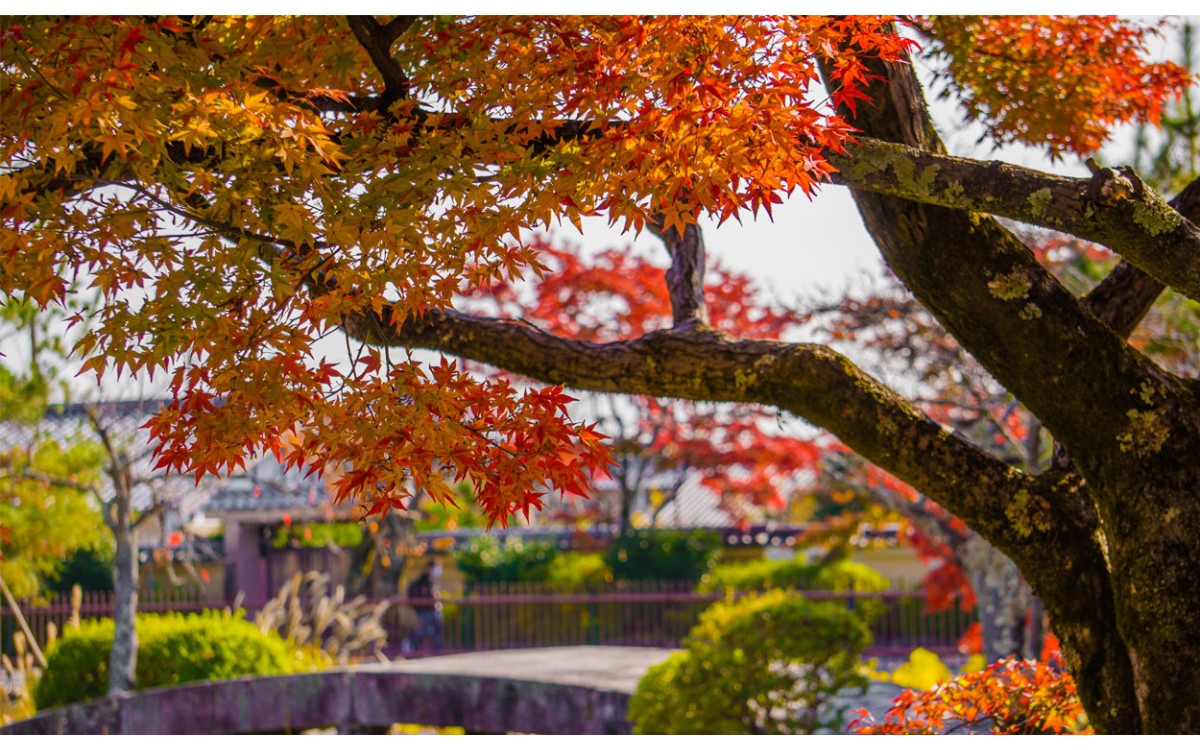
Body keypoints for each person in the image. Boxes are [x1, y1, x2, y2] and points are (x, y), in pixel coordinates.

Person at [407, 559, 443, 653]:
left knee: (433, 629)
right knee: (424, 630)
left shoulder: (433, 581)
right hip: (424, 609)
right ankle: (411, 644)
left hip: (431, 609)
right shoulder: (424, 580)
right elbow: (427, 594)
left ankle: (434, 650)